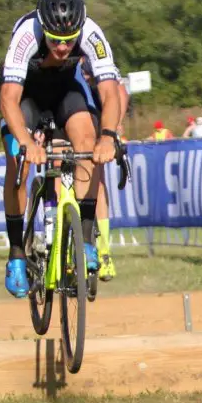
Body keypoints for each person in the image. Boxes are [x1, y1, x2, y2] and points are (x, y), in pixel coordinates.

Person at [0, 0, 123, 298]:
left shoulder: (92, 33)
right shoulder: (26, 32)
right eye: (55, 41)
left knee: (88, 143)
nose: (63, 47)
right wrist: (26, 141)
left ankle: (85, 239)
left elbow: (110, 92)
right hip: (28, 98)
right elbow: (8, 99)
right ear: (44, 27)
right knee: (18, 163)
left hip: (66, 93)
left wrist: (107, 137)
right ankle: (16, 253)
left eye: (69, 41)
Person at [79, 56, 131, 282]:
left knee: (96, 179)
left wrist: (115, 128)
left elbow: (120, 92)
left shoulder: (97, 54)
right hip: (71, 110)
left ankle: (104, 251)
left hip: (100, 110)